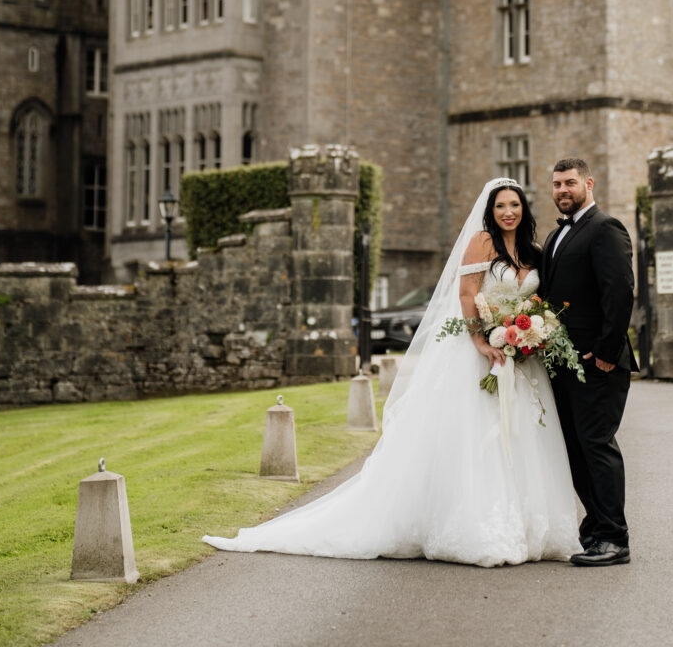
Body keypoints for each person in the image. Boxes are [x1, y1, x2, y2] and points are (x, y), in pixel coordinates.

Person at [203, 178, 581, 566]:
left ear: (524, 209)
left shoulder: (535, 251)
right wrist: (482, 342)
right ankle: (480, 525)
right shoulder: (482, 242)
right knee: (478, 439)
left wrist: (529, 334)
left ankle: (528, 527)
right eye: (501, 205)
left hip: (523, 360)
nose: (508, 212)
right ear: (491, 209)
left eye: (514, 205)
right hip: (483, 353)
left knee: (522, 439)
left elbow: (536, 300)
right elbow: (467, 295)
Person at [540, 157, 637, 567]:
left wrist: (604, 352)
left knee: (597, 445)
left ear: (589, 183)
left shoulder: (605, 228)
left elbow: (620, 293)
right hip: (562, 365)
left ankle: (615, 538)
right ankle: (596, 528)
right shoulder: (555, 236)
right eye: (557, 184)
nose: (563, 190)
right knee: (576, 450)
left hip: (598, 363)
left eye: (570, 182)